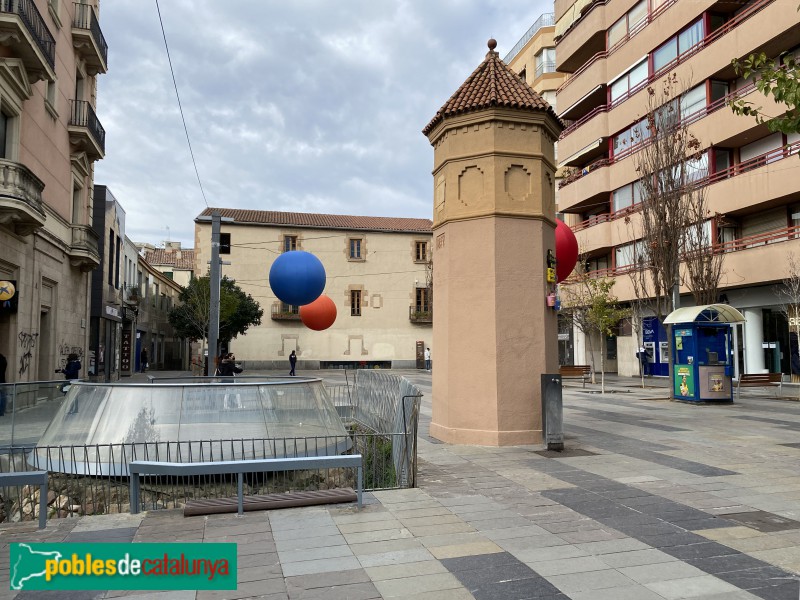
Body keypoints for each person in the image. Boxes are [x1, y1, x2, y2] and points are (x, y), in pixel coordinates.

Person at [0, 352, 7, 416]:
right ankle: (1, 412)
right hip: (2, 380)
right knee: (2, 396)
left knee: (2, 396)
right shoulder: (3, 359)